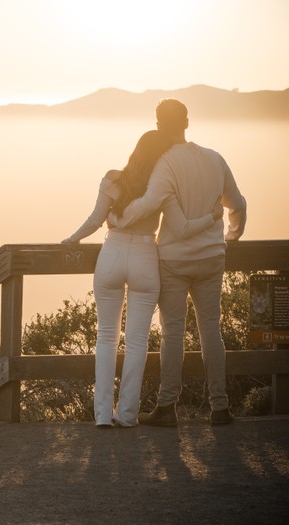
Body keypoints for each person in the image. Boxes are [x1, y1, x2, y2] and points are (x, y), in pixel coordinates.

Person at [63, 130, 221, 428]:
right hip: (146, 259)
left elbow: (95, 220)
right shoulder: (161, 186)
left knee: (106, 336)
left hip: (112, 254)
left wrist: (71, 239)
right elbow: (182, 226)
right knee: (137, 342)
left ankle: (101, 416)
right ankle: (126, 415)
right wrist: (212, 217)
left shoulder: (112, 179)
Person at [108, 99, 247, 426]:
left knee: (173, 332)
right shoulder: (215, 159)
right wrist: (231, 238)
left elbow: (148, 204)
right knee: (211, 330)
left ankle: (167, 407)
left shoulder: (165, 164)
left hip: (173, 260)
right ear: (187, 122)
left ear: (158, 124)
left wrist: (117, 219)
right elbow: (237, 204)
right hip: (212, 258)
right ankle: (220, 407)